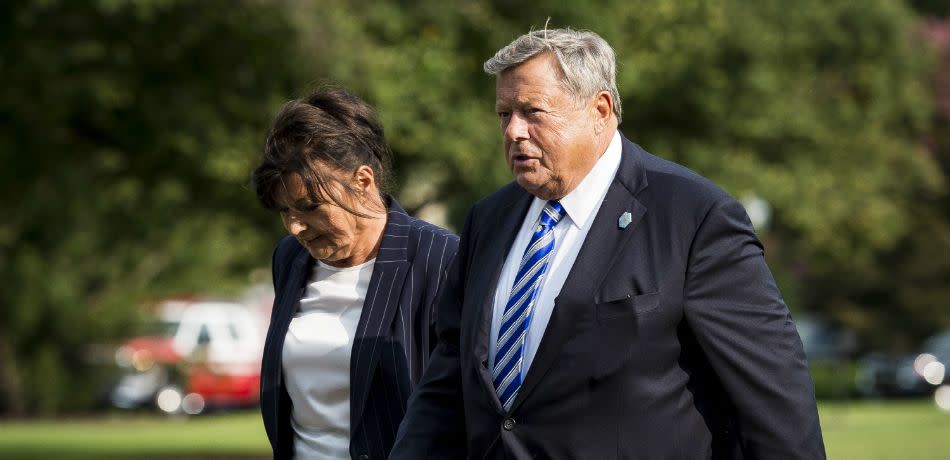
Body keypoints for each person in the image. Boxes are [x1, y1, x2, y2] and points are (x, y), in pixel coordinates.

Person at [390, 28, 825, 459]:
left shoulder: (693, 216)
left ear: (599, 110)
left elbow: (773, 391)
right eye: (504, 114)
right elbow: (448, 379)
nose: (514, 132)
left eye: (533, 111)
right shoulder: (490, 219)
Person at [251, 89, 458, 459]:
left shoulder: (440, 259)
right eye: (284, 211)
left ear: (363, 181)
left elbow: (461, 406)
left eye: (309, 206)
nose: (295, 227)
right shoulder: (289, 259)